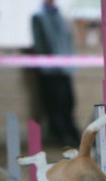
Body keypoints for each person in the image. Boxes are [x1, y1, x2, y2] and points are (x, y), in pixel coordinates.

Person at [31, 0, 81, 147]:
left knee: (68, 102)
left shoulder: (60, 16)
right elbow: (41, 44)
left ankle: (68, 133)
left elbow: (67, 40)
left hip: (64, 69)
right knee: (56, 104)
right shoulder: (38, 17)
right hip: (50, 70)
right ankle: (62, 135)